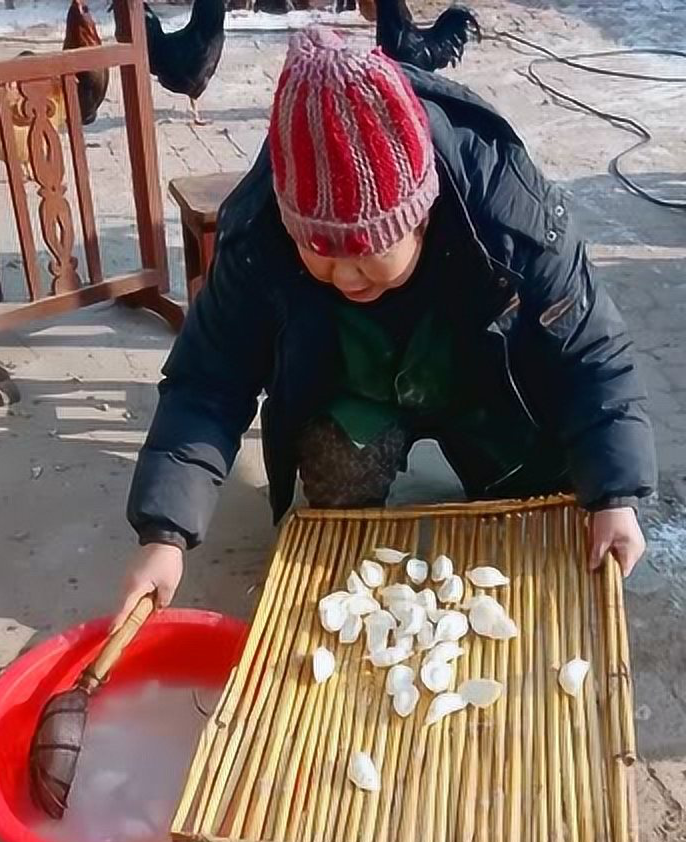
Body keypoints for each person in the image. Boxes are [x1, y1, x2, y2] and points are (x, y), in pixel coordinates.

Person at [114, 28, 656, 627]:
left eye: (369, 249)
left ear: (421, 214)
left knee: (532, 505)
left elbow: (591, 353)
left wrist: (615, 494)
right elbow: (206, 381)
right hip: (357, 388)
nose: (345, 275)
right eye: (317, 250)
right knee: (338, 482)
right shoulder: (261, 233)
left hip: (483, 382)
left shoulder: (507, 211)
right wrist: (164, 535)